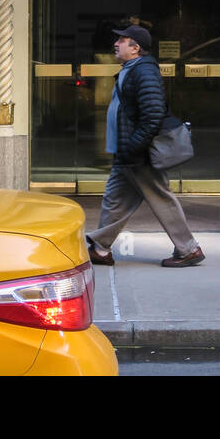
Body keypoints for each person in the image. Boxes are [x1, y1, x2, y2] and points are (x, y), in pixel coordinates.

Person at [86, 25, 204, 269]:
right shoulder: (131, 69)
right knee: (114, 199)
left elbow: (152, 114)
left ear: (135, 47)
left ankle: (189, 249)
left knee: (160, 197)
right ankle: (101, 248)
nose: (116, 44)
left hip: (138, 152)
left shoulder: (144, 71)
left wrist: (133, 146)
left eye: (122, 40)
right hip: (127, 150)